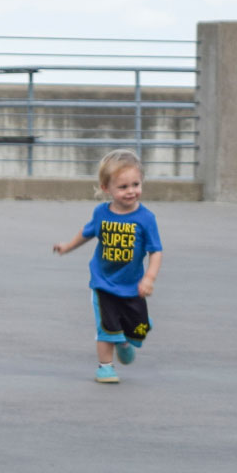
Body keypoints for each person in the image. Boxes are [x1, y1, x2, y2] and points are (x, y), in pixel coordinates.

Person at [52, 149, 163, 383]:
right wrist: (67, 246)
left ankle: (126, 338)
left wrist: (149, 278)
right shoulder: (101, 213)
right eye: (123, 187)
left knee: (139, 329)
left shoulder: (146, 218)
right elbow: (87, 232)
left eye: (136, 184)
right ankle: (105, 366)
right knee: (105, 328)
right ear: (106, 188)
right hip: (103, 282)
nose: (131, 191)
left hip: (133, 285)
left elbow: (155, 251)